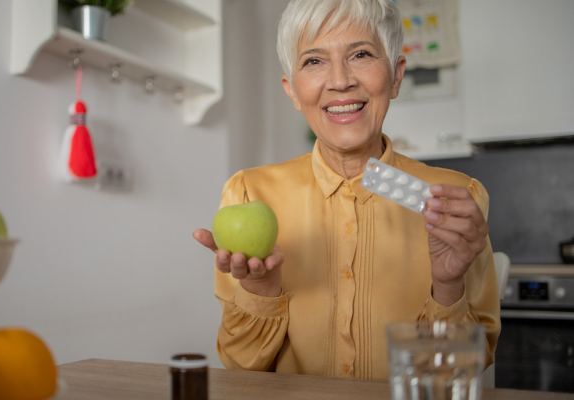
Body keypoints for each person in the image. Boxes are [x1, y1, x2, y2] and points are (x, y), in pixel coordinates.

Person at [193, 0, 499, 380]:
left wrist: (448, 287)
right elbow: (240, 366)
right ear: (292, 90)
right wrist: (261, 290)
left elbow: (459, 372)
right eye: (314, 61)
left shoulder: (455, 197)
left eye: (361, 54)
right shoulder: (249, 191)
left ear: (396, 75)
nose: (340, 80)